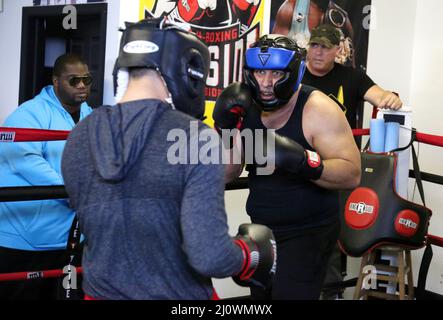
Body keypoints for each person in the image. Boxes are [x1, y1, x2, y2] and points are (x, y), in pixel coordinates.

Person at [61, 18, 276, 300]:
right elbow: (210, 256)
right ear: (190, 70)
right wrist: (249, 255)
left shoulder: (78, 137)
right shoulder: (194, 137)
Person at [213, 34, 361, 300]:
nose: (266, 83)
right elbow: (227, 173)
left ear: (293, 73)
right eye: (259, 72)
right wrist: (225, 130)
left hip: (309, 232)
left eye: (276, 74)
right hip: (261, 230)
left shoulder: (318, 109)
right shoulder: (244, 106)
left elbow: (351, 173)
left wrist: (305, 163)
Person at [302, 23, 403, 299]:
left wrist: (390, 99)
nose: (318, 52)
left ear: (338, 50)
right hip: (299, 164)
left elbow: (379, 96)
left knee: (333, 233)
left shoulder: (352, 77)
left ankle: (332, 292)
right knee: (294, 229)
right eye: (314, 45)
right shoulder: (294, 74)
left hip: (336, 167)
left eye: (325, 47)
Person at [0, 53, 93, 299]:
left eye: (87, 80)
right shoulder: (29, 113)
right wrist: (70, 190)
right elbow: (25, 159)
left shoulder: (88, 115)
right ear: (56, 82)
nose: (82, 85)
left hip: (69, 239)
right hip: (24, 240)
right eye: (74, 80)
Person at [272, 0, 355, 66]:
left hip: (328, 83)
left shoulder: (342, 19)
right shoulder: (290, 8)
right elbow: (274, 55)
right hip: (297, 82)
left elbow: (350, 68)